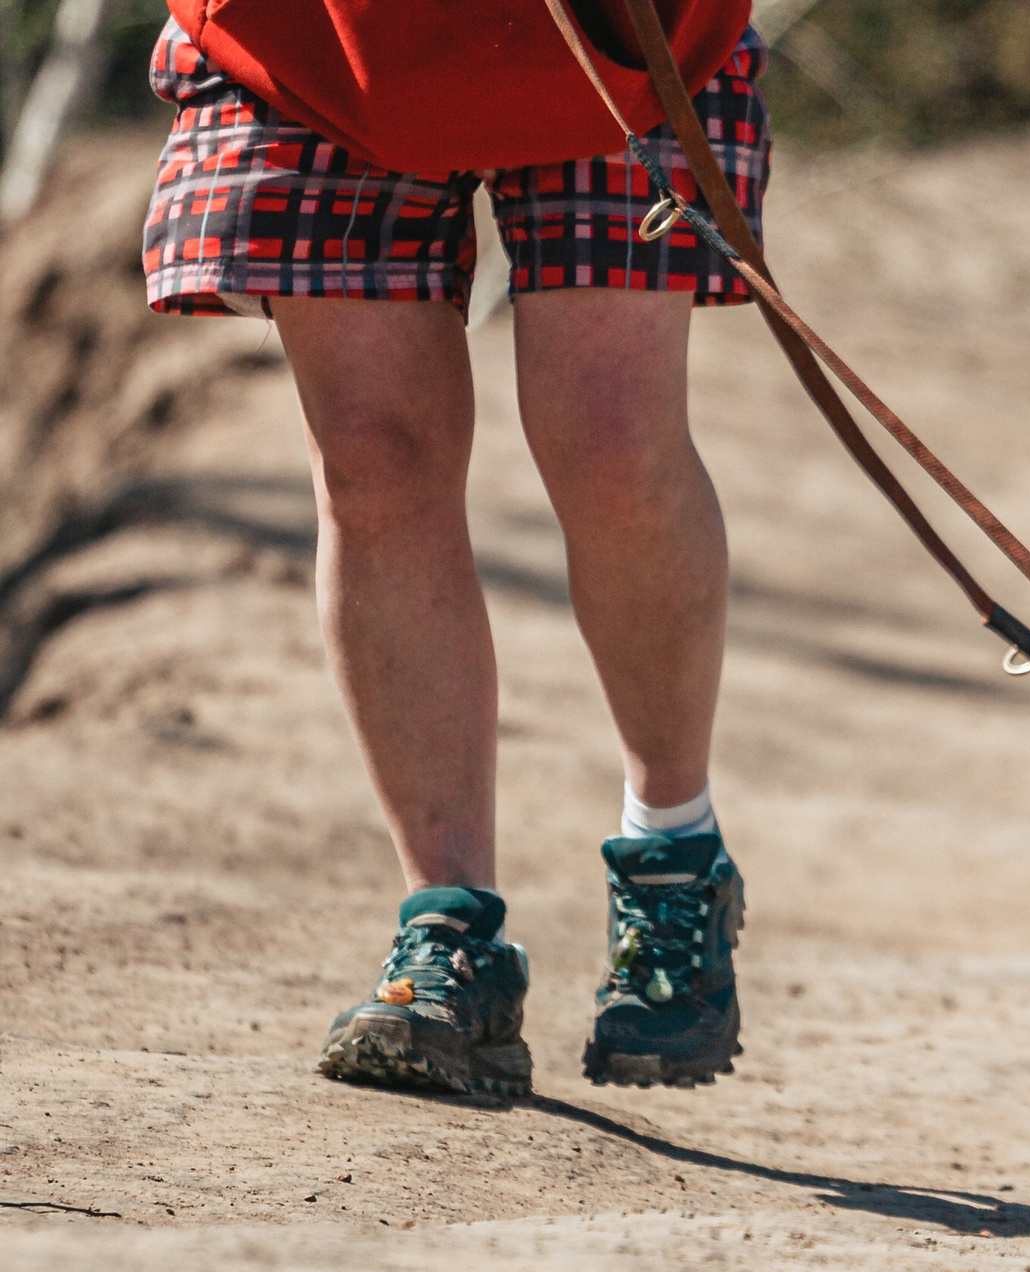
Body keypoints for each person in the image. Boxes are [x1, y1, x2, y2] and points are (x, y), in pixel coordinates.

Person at [139, 1, 762, 1094]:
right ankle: (450, 933)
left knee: (612, 441)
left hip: (615, 35)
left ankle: (672, 861)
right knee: (373, 456)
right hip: (316, 44)